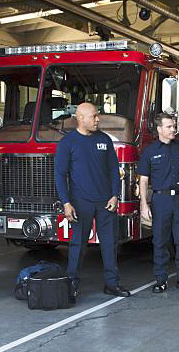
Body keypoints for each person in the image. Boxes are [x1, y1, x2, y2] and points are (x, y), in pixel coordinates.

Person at [55, 102, 131, 300]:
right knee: (77, 245)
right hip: (81, 203)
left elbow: (114, 170)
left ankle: (112, 284)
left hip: (106, 202)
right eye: (94, 116)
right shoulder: (68, 142)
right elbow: (60, 175)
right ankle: (72, 284)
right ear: (80, 118)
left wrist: (115, 195)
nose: (98, 119)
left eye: (98, 116)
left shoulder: (104, 140)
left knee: (110, 244)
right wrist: (66, 202)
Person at [137, 112, 179, 293]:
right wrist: (144, 204)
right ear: (159, 129)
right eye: (169, 127)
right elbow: (143, 181)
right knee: (160, 241)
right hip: (160, 200)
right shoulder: (150, 151)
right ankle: (161, 280)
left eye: (174, 126)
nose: (174, 129)